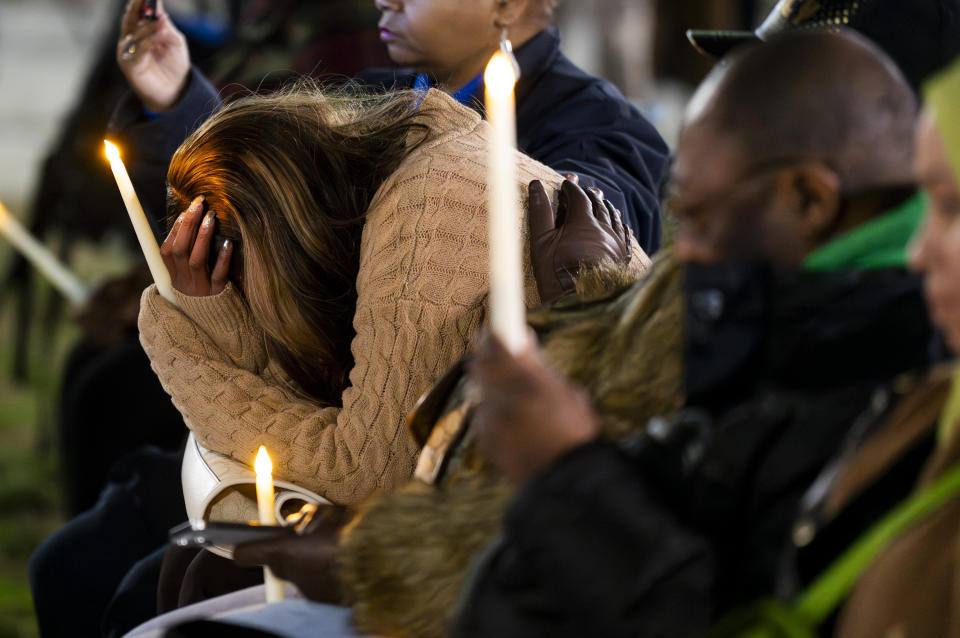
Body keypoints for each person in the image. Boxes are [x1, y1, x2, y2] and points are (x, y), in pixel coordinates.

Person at [110, 0, 669, 251]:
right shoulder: (378, 93)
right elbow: (271, 186)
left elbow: (595, 229)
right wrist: (179, 95)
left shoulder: (600, 126)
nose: (385, 0)